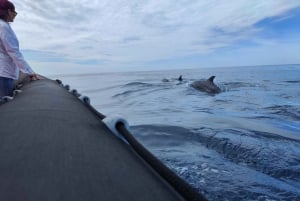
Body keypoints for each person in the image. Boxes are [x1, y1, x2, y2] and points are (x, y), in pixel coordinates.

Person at [0, 0, 40, 98]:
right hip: (3, 73)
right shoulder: (3, 27)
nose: (15, 15)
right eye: (15, 12)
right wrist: (30, 72)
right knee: (5, 104)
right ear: (9, 11)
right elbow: (13, 52)